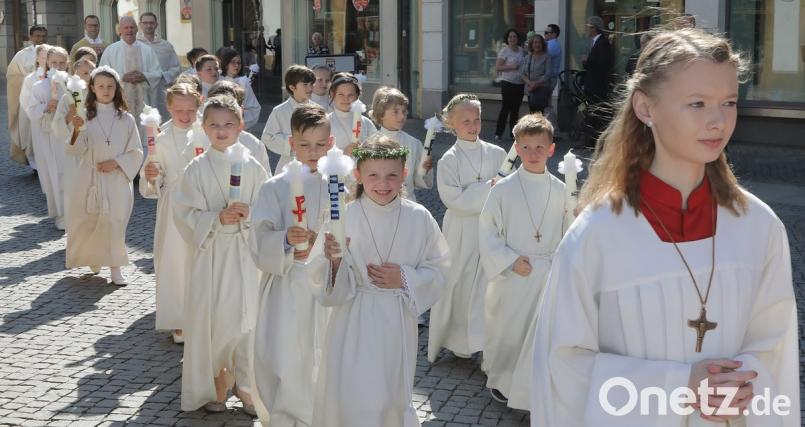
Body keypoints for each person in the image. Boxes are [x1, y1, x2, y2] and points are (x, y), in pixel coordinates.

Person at [531, 28, 800, 426]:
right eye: (697, 103)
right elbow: (562, 365)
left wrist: (742, 384)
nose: (718, 120)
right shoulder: (598, 235)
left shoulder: (758, 228)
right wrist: (679, 386)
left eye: (729, 102)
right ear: (645, 108)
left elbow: (774, 347)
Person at [307, 134, 450, 427]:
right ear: (358, 175)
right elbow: (318, 275)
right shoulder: (343, 216)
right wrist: (335, 261)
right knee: (352, 392)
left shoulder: (419, 217)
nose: (383, 184)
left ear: (404, 174)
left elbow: (440, 268)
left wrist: (405, 277)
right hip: (352, 319)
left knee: (388, 394)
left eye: (391, 175)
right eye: (373, 175)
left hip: (396, 320)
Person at [173, 95, 268, 416]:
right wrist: (215, 218)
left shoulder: (253, 167)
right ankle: (216, 382)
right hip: (212, 256)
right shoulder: (196, 169)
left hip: (246, 254)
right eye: (214, 124)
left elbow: (269, 209)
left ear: (240, 127)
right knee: (216, 321)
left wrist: (250, 213)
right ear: (204, 128)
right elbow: (183, 213)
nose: (221, 130)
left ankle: (248, 385)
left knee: (248, 321)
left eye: (228, 124)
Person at [251, 105, 333, 427]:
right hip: (287, 284)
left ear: (331, 143)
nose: (313, 152)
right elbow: (258, 237)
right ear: (291, 143)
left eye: (320, 144)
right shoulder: (274, 187)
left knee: (325, 354)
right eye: (304, 145)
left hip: (327, 283)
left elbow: (350, 229)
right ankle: (287, 416)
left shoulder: (339, 185)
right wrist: (286, 239)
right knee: (287, 353)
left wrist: (325, 242)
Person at [477, 113, 564, 409]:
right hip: (514, 274)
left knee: (538, 334)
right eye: (526, 147)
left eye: (540, 147)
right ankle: (502, 380)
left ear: (551, 149)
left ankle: (530, 385)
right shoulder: (503, 189)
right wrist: (511, 260)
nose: (533, 154)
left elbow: (568, 233)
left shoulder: (562, 190)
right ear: (516, 148)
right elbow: (487, 230)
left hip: (547, 274)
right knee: (509, 331)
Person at [428, 94, 507, 362]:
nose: (473, 126)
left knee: (488, 284)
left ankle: (486, 342)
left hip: (491, 228)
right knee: (459, 283)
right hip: (462, 230)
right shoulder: (449, 160)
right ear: (451, 123)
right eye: (466, 121)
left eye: (477, 120)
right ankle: (457, 339)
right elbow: (454, 199)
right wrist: (488, 188)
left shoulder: (497, 154)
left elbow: (507, 189)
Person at [62, 66, 144, 285]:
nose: (106, 90)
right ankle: (94, 257)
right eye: (101, 86)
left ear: (117, 89)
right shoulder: (85, 116)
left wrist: (115, 163)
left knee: (115, 221)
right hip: (89, 177)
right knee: (89, 220)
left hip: (117, 178)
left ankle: (115, 267)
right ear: (92, 88)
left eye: (110, 86)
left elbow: (136, 151)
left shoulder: (126, 119)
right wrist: (76, 130)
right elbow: (74, 150)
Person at [138, 83, 201, 344]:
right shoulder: (161, 140)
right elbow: (152, 179)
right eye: (179, 111)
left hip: (202, 203)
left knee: (201, 261)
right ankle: (179, 319)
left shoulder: (206, 133)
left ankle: (204, 316)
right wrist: (152, 175)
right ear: (169, 108)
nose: (185, 116)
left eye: (190, 110)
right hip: (173, 205)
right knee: (175, 262)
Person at [98, 15, 163, 144]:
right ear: (120, 30)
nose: (129, 30)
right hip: (120, 101)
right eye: (126, 28)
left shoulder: (147, 50)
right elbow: (102, 74)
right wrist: (122, 77)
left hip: (144, 101)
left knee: (145, 138)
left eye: (132, 27)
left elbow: (157, 72)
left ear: (137, 29)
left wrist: (144, 76)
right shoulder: (111, 50)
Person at [26, 46, 71, 230]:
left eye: (61, 63)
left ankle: (74, 211)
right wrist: (45, 107)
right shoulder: (39, 87)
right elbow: (31, 111)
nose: (58, 67)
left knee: (72, 173)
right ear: (47, 64)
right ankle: (61, 213)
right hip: (50, 137)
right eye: (54, 63)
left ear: (67, 64)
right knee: (55, 173)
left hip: (70, 135)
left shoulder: (74, 84)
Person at [372, 86, 433, 202]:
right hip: (379, 202)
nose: (402, 116)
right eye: (395, 112)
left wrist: (425, 169)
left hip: (406, 202)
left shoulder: (413, 143)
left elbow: (417, 181)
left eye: (404, 111)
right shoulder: (371, 144)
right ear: (381, 114)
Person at [206, 80, 271, 174]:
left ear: (241, 110)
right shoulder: (197, 140)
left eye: (229, 108)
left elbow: (264, 180)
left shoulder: (254, 145)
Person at [261, 64, 316, 171]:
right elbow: (267, 137)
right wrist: (292, 143)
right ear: (292, 87)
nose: (310, 88)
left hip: (314, 161)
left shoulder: (317, 109)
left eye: (311, 84)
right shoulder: (280, 111)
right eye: (305, 84)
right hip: (289, 162)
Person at [7, 25, 48, 166]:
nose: (40, 39)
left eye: (43, 36)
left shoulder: (52, 52)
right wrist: (29, 79)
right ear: (30, 37)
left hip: (47, 99)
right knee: (29, 132)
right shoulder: (22, 55)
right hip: (27, 99)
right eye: (37, 36)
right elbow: (12, 75)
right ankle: (34, 163)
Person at [137, 12, 182, 119]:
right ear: (140, 25)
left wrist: (162, 76)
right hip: (142, 88)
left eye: (151, 23)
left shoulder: (166, 46)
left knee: (162, 118)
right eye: (145, 23)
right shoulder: (135, 45)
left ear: (156, 24)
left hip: (161, 88)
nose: (148, 25)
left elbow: (176, 68)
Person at [581, 16, 614, 149]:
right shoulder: (595, 42)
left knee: (596, 113)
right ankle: (590, 140)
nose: (587, 29)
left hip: (597, 86)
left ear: (594, 28)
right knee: (590, 112)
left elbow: (604, 64)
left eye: (588, 27)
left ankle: (595, 141)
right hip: (592, 84)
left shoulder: (603, 43)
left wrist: (587, 61)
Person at [18, 43, 51, 174]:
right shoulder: (30, 79)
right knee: (38, 143)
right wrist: (40, 109)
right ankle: (38, 166)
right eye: (43, 57)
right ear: (37, 59)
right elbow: (25, 99)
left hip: (55, 117)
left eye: (49, 58)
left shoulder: (57, 76)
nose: (46, 61)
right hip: (38, 117)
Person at [326, 72, 377, 155]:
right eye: (341, 94)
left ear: (357, 96)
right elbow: (320, 153)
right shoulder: (326, 123)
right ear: (332, 95)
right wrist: (344, 152)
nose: (346, 99)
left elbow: (377, 147)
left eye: (350, 95)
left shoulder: (366, 123)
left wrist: (366, 150)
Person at [217, 47, 261, 130]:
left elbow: (254, 108)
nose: (237, 65)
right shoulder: (216, 79)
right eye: (233, 62)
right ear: (225, 63)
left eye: (239, 63)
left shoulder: (244, 82)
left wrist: (240, 115)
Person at [494, 29, 525, 145]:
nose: (512, 39)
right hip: (508, 83)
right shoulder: (504, 51)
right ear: (507, 39)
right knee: (506, 108)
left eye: (514, 36)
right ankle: (498, 133)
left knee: (515, 110)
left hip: (520, 84)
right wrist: (511, 66)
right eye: (510, 37)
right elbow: (498, 67)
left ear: (517, 38)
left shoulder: (521, 50)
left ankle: (513, 134)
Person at [521, 35, 553, 114]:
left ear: (542, 44)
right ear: (531, 44)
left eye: (539, 42)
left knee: (539, 114)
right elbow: (522, 74)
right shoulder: (527, 57)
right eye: (535, 42)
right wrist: (530, 83)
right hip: (530, 90)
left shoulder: (547, 57)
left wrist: (535, 84)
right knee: (532, 113)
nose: (537, 45)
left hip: (541, 90)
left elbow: (548, 74)